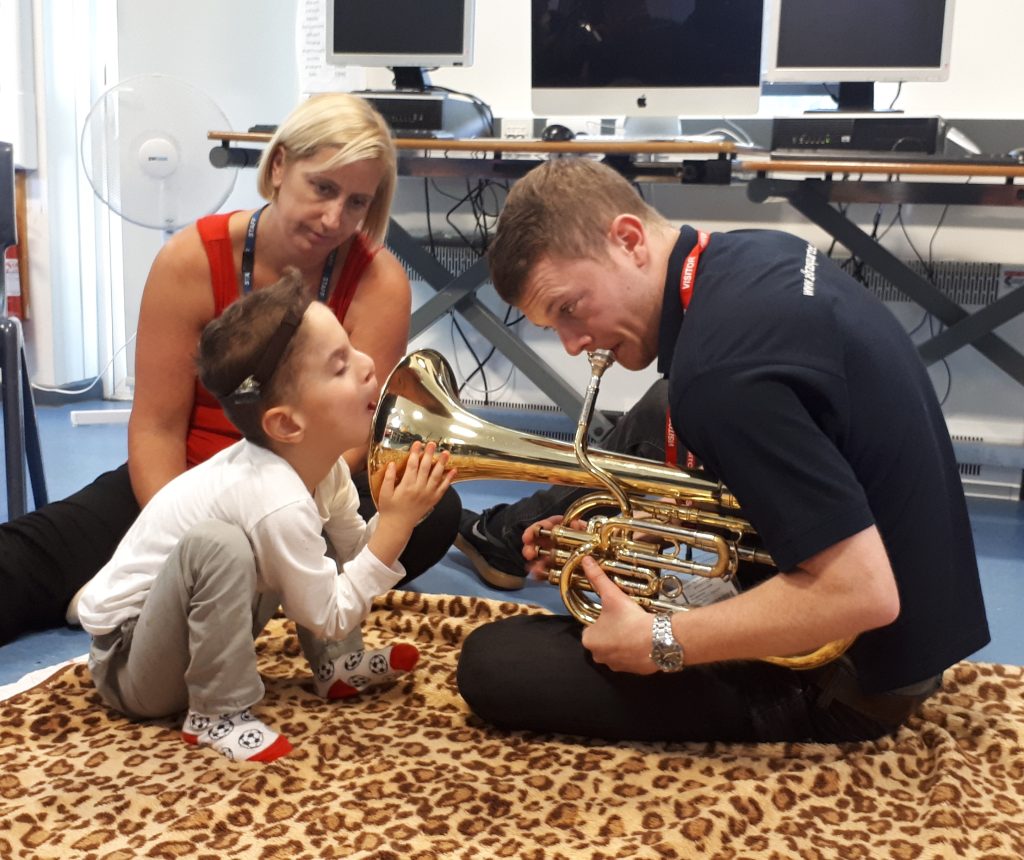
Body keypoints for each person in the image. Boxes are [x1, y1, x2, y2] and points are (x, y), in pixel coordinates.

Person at [456, 157, 990, 743]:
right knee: (665, 407)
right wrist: (633, 534)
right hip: (926, 618)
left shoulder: (721, 378)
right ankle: (514, 532)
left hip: (851, 680)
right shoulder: (753, 254)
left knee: (492, 662)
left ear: (629, 240)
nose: (573, 343)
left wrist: (662, 642)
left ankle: (502, 536)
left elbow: (861, 594)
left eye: (567, 309)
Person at [0, 92, 460, 645]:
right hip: (191, 487)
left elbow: (353, 436)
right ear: (281, 165)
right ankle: (253, 596)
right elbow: (156, 427)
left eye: (358, 202)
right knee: (21, 562)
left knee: (431, 511)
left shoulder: (379, 281)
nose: (335, 218)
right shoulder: (191, 260)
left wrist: (277, 530)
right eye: (323, 188)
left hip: (307, 490)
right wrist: (194, 545)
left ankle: (263, 593)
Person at [78, 270, 455, 763]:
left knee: (294, 550)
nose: (367, 366)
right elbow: (330, 613)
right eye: (339, 366)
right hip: (130, 666)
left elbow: (354, 560)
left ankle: (338, 667)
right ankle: (216, 713)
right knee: (222, 543)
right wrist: (399, 526)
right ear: (286, 423)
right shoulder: (273, 495)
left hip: (180, 637)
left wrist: (395, 513)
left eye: (351, 348)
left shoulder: (324, 472)